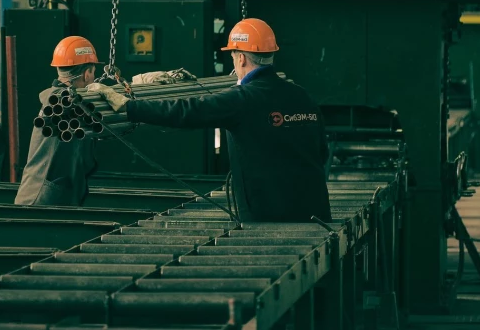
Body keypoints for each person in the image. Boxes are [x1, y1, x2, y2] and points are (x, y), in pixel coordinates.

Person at [88, 18, 332, 223]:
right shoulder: (301, 95)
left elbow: (186, 111)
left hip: (268, 217)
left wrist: (129, 107)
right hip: (315, 214)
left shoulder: (242, 99)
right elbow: (322, 152)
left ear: (241, 58)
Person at [14, 36, 102, 206]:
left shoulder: (60, 103)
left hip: (39, 196)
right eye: (93, 73)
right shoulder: (64, 103)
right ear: (87, 74)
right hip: (41, 201)